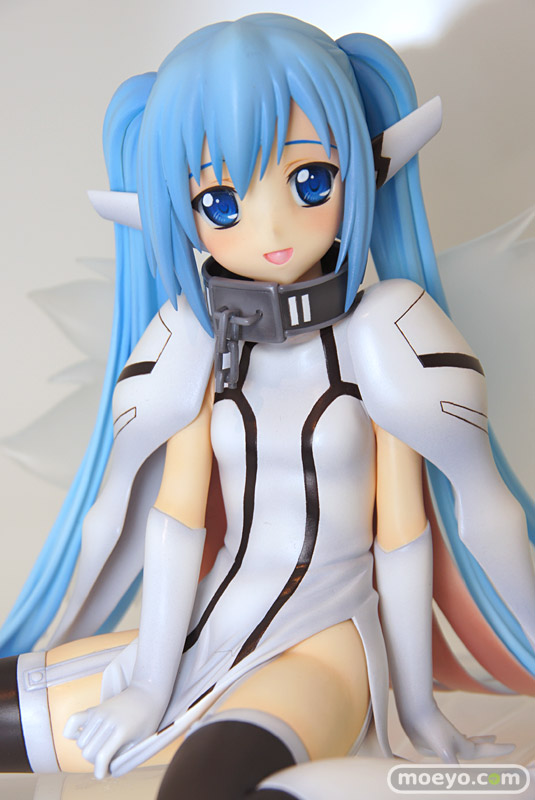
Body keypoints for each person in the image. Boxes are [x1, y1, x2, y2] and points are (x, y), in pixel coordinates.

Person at [0, 14, 533, 799]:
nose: (273, 229)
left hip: (324, 647)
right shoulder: (193, 342)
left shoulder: (386, 332)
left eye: (309, 181)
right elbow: (174, 519)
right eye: (221, 201)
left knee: (208, 785)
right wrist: (148, 682)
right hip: (193, 635)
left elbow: (405, 534)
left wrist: (417, 709)